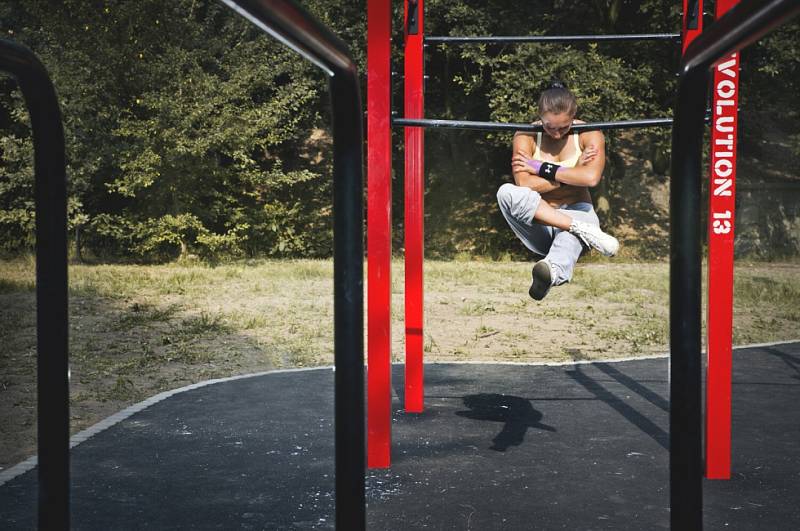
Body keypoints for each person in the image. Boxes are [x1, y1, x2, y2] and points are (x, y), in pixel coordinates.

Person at [497, 81, 619, 301]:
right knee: (506, 192)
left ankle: (550, 272)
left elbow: (590, 178)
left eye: (563, 127)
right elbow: (525, 184)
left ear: (573, 117)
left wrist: (540, 169)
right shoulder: (526, 135)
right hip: (538, 222)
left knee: (569, 239)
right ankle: (581, 229)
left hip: (575, 209)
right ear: (540, 117)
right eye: (549, 127)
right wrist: (572, 172)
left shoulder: (588, 133)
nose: (555, 133)